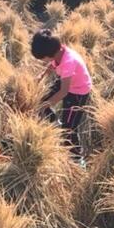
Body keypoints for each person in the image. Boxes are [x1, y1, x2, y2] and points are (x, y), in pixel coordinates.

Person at [32, 29, 92, 162]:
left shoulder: (68, 62)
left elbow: (64, 92)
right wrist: (42, 75)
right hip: (67, 81)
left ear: (49, 54)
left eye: (42, 58)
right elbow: (52, 64)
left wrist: (44, 106)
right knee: (41, 101)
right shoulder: (59, 52)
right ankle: (55, 122)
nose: (42, 60)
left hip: (78, 91)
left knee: (69, 130)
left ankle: (77, 159)